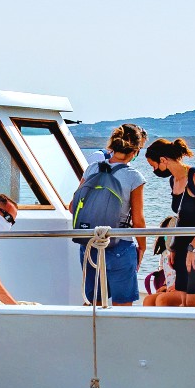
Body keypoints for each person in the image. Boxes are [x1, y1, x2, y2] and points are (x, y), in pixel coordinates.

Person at [71, 123, 147, 306]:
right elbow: (138, 220)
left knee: (94, 302)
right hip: (120, 244)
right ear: (135, 150)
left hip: (91, 242)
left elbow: (72, 206)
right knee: (123, 305)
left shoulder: (92, 169)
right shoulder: (133, 177)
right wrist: (142, 248)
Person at [145, 138, 195, 307]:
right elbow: (181, 218)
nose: (154, 170)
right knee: (184, 303)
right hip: (183, 251)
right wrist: (174, 249)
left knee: (193, 304)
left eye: (153, 165)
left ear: (163, 160)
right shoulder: (173, 181)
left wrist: (194, 247)